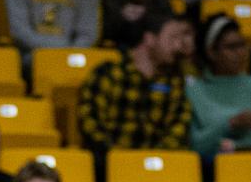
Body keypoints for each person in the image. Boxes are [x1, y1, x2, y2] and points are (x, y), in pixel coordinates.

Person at [77, 13, 194, 166]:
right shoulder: (108, 73)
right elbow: (90, 120)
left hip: (157, 167)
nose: (178, 46)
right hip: (108, 164)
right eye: (172, 38)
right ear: (149, 39)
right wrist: (116, 156)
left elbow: (180, 125)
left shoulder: (174, 81)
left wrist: (150, 161)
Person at [188, 15, 251, 160]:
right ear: (211, 52)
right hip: (213, 170)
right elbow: (194, 145)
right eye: (231, 47)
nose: (240, 53)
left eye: (242, 45)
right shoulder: (194, 90)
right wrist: (231, 124)